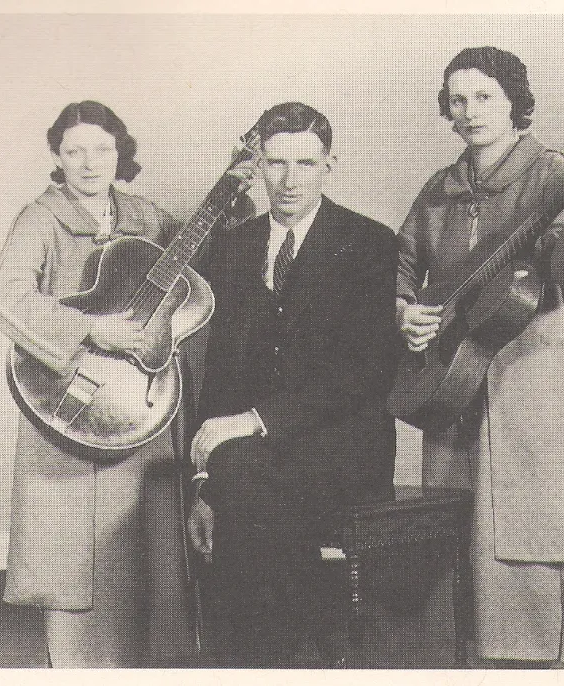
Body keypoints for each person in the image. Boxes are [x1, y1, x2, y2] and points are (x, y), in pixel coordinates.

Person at [0, 101, 251, 667]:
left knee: (148, 556)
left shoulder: (143, 217)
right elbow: (6, 299)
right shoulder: (40, 218)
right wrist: (91, 329)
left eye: (102, 149)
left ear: (119, 153)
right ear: (58, 157)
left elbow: (206, 258)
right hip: (73, 405)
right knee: (75, 567)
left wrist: (234, 190)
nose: (89, 163)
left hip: (140, 407)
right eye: (75, 151)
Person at [396, 47, 564, 668]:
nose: (469, 111)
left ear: (514, 101)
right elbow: (406, 264)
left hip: (533, 375)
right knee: (455, 514)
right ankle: (471, 661)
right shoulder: (440, 188)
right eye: (458, 100)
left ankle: (543, 662)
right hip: (454, 376)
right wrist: (405, 310)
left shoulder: (550, 174)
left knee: (532, 519)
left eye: (484, 97)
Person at [187, 102, 399, 667]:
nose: (289, 179)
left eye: (305, 163)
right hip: (251, 454)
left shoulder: (370, 243)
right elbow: (220, 375)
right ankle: (286, 656)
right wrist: (203, 482)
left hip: (345, 444)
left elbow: (366, 373)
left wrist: (254, 423)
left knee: (245, 484)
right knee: (241, 480)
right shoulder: (233, 247)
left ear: (330, 165)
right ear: (256, 165)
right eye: (275, 163)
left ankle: (265, 660)